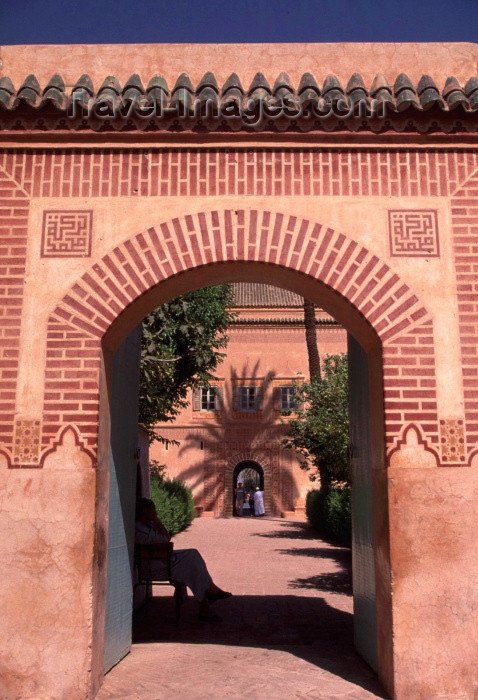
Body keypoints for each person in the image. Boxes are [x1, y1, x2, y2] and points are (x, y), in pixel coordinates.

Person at [135, 498, 232, 621]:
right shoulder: (140, 530)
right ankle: (209, 594)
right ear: (145, 511)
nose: (155, 512)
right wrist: (156, 520)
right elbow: (166, 538)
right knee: (191, 562)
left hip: (162, 561)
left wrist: (154, 521)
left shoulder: (147, 525)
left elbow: (164, 539)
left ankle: (208, 598)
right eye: (153, 510)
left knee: (192, 557)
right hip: (153, 567)